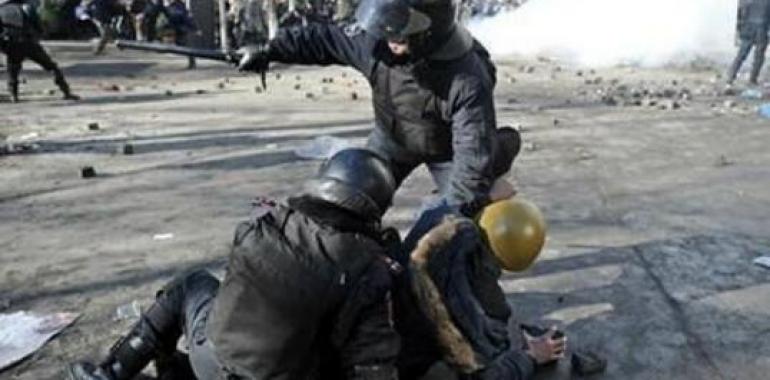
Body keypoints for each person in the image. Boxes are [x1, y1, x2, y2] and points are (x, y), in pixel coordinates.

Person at [67, 148, 402, 380]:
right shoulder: (368, 268)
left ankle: (113, 371)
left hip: (211, 364)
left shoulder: (266, 223)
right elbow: (371, 361)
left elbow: (235, 302)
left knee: (193, 284)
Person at [238, 0, 517, 218]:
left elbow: (470, 166)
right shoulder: (374, 44)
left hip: (451, 151)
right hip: (392, 141)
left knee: (465, 222)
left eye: (400, 29)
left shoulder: (467, 79)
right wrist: (268, 50)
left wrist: (450, 219)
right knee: (345, 206)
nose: (391, 37)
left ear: (430, 28)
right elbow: (323, 39)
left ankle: (498, 159)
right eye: (387, 25)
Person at [390, 188, 565, 380]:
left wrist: (484, 200)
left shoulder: (430, 240)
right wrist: (530, 358)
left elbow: (453, 218)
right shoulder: (452, 310)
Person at [0, 0, 79, 102]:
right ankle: (66, 92)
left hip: (12, 43)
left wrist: (4, 45)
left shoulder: (2, 10)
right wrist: (38, 35)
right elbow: (37, 25)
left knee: (13, 70)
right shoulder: (27, 7)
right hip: (29, 42)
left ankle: (14, 95)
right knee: (52, 67)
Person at [727, 0, 770, 85]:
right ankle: (752, 79)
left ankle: (730, 77)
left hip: (747, 28)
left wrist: (738, 32)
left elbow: (739, 16)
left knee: (741, 55)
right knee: (759, 56)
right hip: (762, 28)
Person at [160, 0, 197, 68]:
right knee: (183, 44)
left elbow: (182, 17)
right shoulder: (173, 6)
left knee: (184, 44)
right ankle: (192, 62)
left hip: (180, 28)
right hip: (180, 27)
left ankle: (192, 62)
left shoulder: (175, 6)